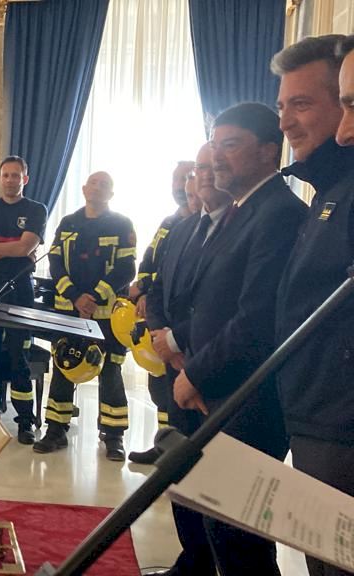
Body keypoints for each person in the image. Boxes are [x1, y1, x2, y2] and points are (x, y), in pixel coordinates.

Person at [175, 103, 304, 575]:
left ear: (269, 151)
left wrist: (195, 373)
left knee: (239, 539)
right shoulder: (241, 210)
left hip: (248, 397)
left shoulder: (278, 213)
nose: (217, 157)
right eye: (216, 144)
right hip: (221, 391)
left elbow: (255, 319)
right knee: (217, 526)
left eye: (230, 145)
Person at [275, 35, 354, 576]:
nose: (285, 121)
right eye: (282, 106)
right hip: (314, 423)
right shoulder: (328, 189)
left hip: (341, 434)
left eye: (301, 104)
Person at [145, 143, 232, 576]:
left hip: (215, 379)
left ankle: (212, 562)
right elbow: (157, 290)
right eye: (198, 169)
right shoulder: (181, 231)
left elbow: (229, 310)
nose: (203, 176)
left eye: (212, 166)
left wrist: (185, 354)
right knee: (180, 472)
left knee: (220, 493)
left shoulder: (238, 227)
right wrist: (166, 342)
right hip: (178, 372)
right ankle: (192, 560)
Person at [35, 171, 135, 461]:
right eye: (93, 183)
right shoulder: (68, 223)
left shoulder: (122, 224)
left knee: (111, 371)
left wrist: (94, 297)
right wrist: (75, 296)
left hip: (106, 317)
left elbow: (126, 268)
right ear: (83, 189)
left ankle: (113, 435)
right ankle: (56, 429)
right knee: (64, 367)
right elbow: (55, 263)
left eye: (104, 184)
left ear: (111, 194)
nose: (98, 188)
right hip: (69, 312)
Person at [0, 156, 47, 443]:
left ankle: (25, 421)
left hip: (20, 291)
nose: (11, 180)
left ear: (25, 179)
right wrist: (13, 247)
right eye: (6, 175)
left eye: (16, 175)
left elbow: (26, 247)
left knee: (19, 356)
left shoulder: (36, 209)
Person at [126, 161, 196, 464]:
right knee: (160, 388)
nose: (180, 186)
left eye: (186, 179)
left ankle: (178, 451)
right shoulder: (169, 223)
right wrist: (142, 291)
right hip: (158, 319)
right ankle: (165, 444)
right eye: (176, 180)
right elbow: (150, 262)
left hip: (184, 328)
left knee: (182, 395)